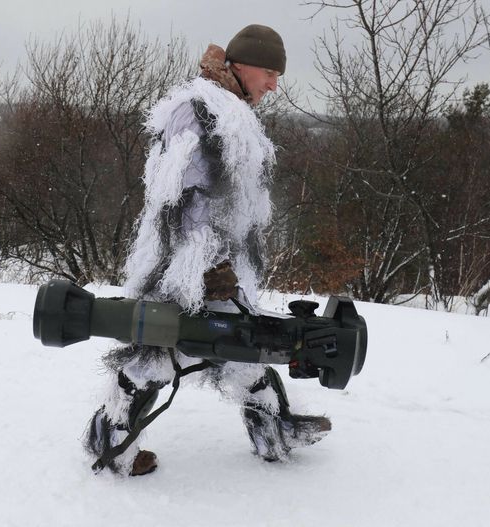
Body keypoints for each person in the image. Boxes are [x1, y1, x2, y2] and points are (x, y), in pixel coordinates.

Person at [85, 24, 331, 476]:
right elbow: (185, 193)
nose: (274, 85)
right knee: (155, 356)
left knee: (242, 347)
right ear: (242, 66)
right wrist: (206, 261)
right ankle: (110, 447)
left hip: (213, 264)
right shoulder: (200, 109)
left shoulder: (225, 108)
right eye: (270, 73)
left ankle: (276, 433)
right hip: (186, 264)